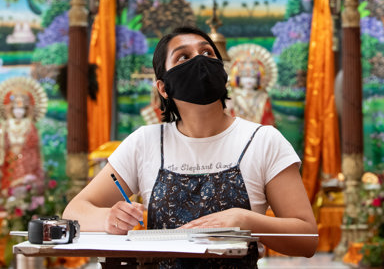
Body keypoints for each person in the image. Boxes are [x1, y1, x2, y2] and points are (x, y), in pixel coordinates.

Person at [62, 26, 318, 268]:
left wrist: (245, 220)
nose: (199, 60)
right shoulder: (145, 142)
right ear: (163, 87)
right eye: (183, 57)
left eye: (207, 52)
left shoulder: (264, 141)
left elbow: (307, 239)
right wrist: (109, 219)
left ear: (223, 71)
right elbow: (74, 211)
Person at [0, 77, 47, 190]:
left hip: (26, 162)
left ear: (26, 110)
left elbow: (35, 148)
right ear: (11, 109)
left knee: (25, 188)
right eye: (16, 108)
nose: (18, 111)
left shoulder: (30, 126)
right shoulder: (6, 126)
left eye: (21, 109)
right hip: (9, 161)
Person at [228, 43, 277, 125]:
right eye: (244, 76)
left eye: (253, 77)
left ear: (259, 78)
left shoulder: (263, 98)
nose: (248, 80)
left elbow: (268, 122)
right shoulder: (231, 98)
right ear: (237, 78)